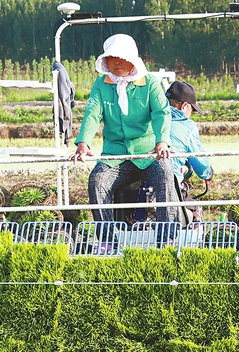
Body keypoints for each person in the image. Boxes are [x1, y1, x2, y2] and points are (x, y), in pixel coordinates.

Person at [72, 34, 178, 222]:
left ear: (133, 61)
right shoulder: (101, 85)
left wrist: (162, 141)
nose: (117, 62)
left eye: (122, 58)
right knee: (97, 180)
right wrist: (83, 143)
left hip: (148, 154)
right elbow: (93, 114)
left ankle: (166, 238)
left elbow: (161, 112)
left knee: (165, 174)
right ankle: (107, 240)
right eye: (112, 58)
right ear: (106, 61)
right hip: (115, 156)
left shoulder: (150, 83)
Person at [166, 80, 212, 223]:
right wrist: (208, 173)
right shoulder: (187, 125)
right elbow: (199, 162)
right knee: (195, 211)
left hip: (138, 189)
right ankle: (192, 243)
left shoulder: (149, 118)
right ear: (184, 106)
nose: (191, 115)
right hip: (169, 188)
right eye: (192, 110)